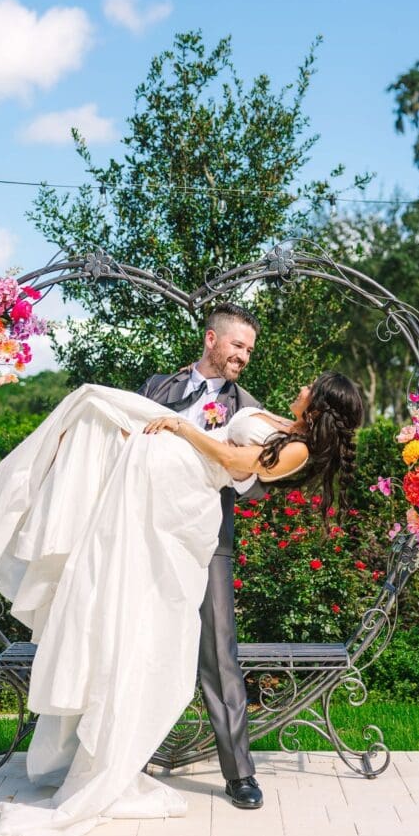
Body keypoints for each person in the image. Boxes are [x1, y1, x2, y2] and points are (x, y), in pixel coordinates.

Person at [0, 366, 363, 836]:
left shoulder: (299, 449)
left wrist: (184, 428)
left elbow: (233, 458)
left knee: (138, 595)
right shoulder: (281, 423)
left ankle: (149, 753)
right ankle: (35, 521)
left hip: (183, 489)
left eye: (311, 386)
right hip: (171, 469)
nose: (302, 385)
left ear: (321, 403)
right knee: (91, 404)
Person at [137, 302, 265, 809]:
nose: (244, 357)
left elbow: (255, 485)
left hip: (210, 540)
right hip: (147, 533)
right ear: (211, 339)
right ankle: (127, 760)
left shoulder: (247, 407)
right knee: (138, 641)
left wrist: (240, 473)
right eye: (238, 345)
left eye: (249, 350)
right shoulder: (156, 388)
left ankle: (239, 774)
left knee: (219, 652)